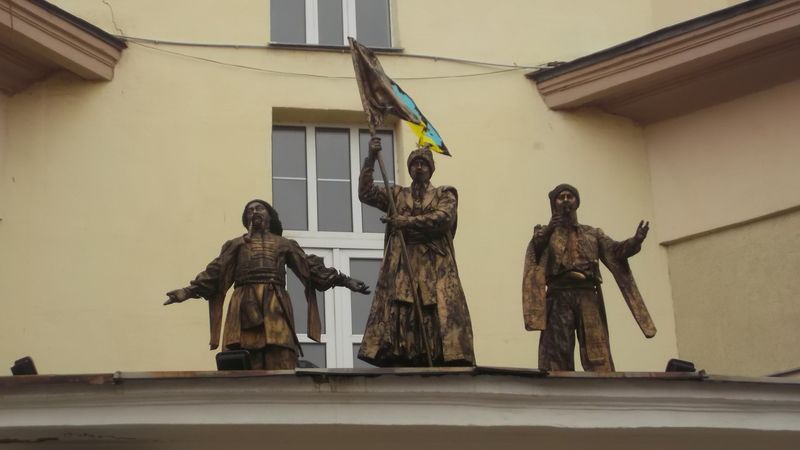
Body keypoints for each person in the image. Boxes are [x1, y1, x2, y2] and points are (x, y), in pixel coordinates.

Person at [164, 199, 369, 370]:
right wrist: (188, 291)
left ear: (269, 216)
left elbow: (310, 268)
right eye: (250, 210)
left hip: (274, 303)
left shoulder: (284, 244)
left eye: (259, 208)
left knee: (280, 352)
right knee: (242, 355)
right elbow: (215, 272)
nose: (255, 212)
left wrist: (345, 280)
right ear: (246, 219)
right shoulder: (235, 244)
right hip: (243, 303)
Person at [357, 137, 475, 367]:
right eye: (414, 163)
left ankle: (435, 352)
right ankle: (405, 351)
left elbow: (444, 218)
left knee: (434, 305)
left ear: (431, 169)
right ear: (410, 168)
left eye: (423, 163)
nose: (419, 167)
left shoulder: (445, 193)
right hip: (404, 261)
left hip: (435, 264)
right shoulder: (397, 195)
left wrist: (406, 223)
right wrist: (370, 158)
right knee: (404, 303)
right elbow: (366, 192)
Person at [522, 184, 656, 372]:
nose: (566, 200)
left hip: (587, 295)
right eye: (561, 197)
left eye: (570, 196)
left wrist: (636, 241)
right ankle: (558, 390)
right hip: (558, 295)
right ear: (554, 204)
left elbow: (616, 252)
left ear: (577, 202)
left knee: (597, 349)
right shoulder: (545, 233)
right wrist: (551, 228)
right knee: (557, 352)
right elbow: (536, 251)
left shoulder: (592, 233)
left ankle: (603, 388)